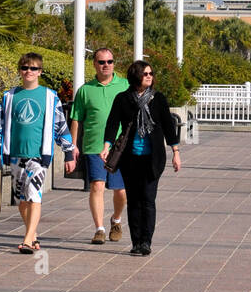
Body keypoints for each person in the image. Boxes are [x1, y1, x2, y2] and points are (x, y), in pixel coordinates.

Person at [0, 52, 73, 253]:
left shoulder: (50, 96)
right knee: (22, 201)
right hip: (15, 154)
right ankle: (33, 234)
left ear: (40, 72)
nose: (29, 71)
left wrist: (69, 152)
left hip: (39, 155)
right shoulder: (9, 96)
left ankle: (27, 240)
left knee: (34, 196)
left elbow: (60, 125)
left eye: (33, 68)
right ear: (20, 71)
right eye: (25, 67)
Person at [101, 59, 181, 256]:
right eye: (145, 73)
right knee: (134, 200)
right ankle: (136, 242)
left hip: (153, 159)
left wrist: (176, 152)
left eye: (151, 73)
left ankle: (146, 242)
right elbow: (112, 123)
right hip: (129, 158)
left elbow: (168, 126)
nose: (149, 76)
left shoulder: (158, 99)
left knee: (148, 199)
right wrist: (106, 146)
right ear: (136, 75)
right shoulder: (123, 99)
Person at [68, 48, 129, 244]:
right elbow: (76, 119)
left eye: (110, 61)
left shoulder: (125, 85)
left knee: (121, 191)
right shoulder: (85, 90)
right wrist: (73, 145)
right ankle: (99, 229)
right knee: (97, 185)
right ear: (94, 64)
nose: (106, 65)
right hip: (93, 145)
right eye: (101, 62)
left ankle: (116, 220)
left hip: (119, 147)